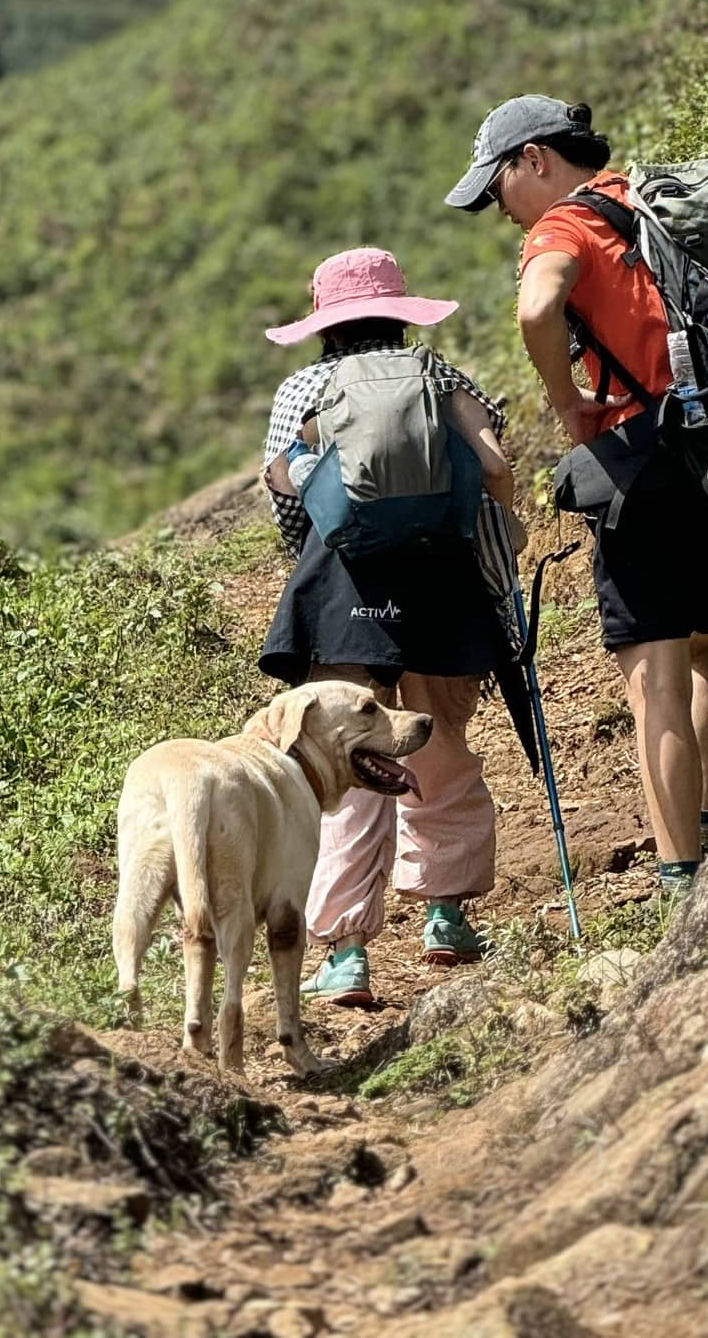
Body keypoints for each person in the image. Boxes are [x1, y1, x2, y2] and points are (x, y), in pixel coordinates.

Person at [445, 97, 708, 896]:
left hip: (646, 470)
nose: (499, 213)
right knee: (707, 647)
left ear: (535, 161)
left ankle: (683, 879)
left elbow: (539, 305)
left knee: (654, 675)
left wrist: (565, 400)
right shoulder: (654, 199)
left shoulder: (563, 227)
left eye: (496, 189)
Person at [257, 245, 524, 1005]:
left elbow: (286, 499)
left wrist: (317, 561)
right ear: (400, 314)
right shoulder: (441, 378)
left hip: (345, 599)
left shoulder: (303, 390)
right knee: (438, 748)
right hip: (443, 589)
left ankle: (344, 954)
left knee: (349, 776)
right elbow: (495, 468)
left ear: (326, 325)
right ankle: (444, 917)